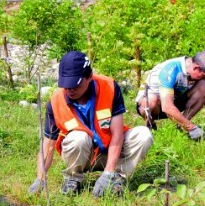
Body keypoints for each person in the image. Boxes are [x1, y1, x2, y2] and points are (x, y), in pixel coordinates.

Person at [31, 51, 153, 197]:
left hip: (110, 151)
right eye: (66, 85)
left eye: (75, 84)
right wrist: (40, 179)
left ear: (89, 76)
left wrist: (107, 173)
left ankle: (115, 178)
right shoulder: (56, 101)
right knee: (78, 137)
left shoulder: (109, 88)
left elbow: (117, 134)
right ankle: (73, 179)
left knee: (143, 135)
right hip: (80, 154)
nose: (70, 90)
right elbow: (48, 146)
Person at [135, 51, 205, 138]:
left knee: (204, 86)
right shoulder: (171, 70)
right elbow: (167, 107)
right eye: (204, 76)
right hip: (155, 105)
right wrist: (191, 127)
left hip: (176, 100)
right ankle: (151, 126)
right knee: (151, 101)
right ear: (195, 67)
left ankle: (180, 127)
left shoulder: (200, 71)